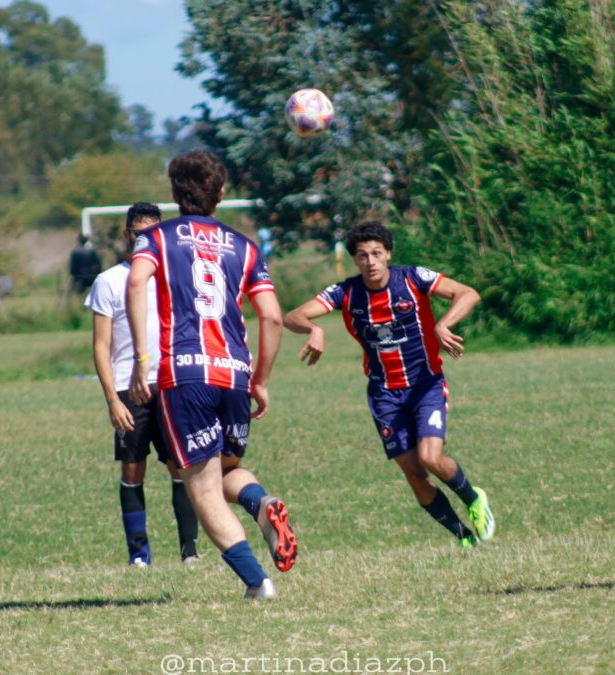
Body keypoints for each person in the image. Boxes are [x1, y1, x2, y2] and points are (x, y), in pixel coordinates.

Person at [127, 150, 297, 600]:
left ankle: (257, 583)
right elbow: (272, 317)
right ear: (221, 194)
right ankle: (261, 505)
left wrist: (144, 361)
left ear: (173, 194)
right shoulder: (245, 248)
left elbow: (135, 282)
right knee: (225, 468)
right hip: (235, 376)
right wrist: (260, 380)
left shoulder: (158, 238)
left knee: (199, 487)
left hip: (185, 374)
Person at [285, 221, 495, 548]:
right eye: (362, 255)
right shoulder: (346, 292)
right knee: (415, 474)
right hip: (384, 395)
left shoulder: (412, 278)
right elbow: (294, 315)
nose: (370, 261)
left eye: (376, 254)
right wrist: (314, 329)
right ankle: (463, 536)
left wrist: (444, 323)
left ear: (388, 255)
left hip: (425, 385)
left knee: (431, 457)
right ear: (355, 260)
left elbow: (468, 293)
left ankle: (473, 498)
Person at [86, 202, 200, 567]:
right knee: (133, 469)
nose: (144, 239)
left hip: (173, 383)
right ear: (127, 234)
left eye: (152, 232)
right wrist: (111, 401)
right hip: (128, 388)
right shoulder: (109, 281)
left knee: (180, 467)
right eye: (138, 232)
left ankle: (190, 551)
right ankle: (139, 556)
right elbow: (101, 347)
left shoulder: (176, 275)